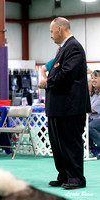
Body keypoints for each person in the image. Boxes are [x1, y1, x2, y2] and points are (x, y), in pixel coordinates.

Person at [38, 17, 91, 189]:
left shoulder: (73, 47)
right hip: (59, 107)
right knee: (58, 144)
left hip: (70, 107)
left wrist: (47, 82)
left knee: (70, 143)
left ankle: (76, 178)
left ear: (60, 29)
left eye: (52, 31)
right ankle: (64, 175)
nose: (51, 35)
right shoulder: (64, 49)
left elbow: (67, 74)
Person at [89, 70, 100, 158]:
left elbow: (92, 109)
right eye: (92, 78)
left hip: (98, 118)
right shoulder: (92, 93)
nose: (93, 80)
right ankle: (91, 147)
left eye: (95, 78)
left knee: (90, 127)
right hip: (92, 118)